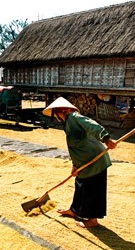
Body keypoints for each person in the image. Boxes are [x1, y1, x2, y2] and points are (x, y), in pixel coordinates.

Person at [42, 97, 117, 228]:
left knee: (93, 189)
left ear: (60, 112)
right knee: (80, 186)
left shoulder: (74, 117)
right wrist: (74, 165)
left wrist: (105, 138)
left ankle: (92, 220)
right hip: (84, 161)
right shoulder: (68, 124)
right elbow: (75, 147)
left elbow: (91, 124)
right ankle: (74, 210)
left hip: (95, 160)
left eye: (56, 113)